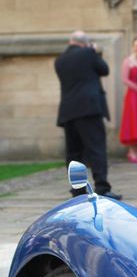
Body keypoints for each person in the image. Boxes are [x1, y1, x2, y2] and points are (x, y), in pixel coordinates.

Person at [54, 30, 122, 200]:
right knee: (96, 149)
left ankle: (77, 190)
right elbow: (104, 69)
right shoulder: (88, 53)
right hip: (88, 109)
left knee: (74, 154)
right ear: (84, 43)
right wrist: (93, 50)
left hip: (68, 112)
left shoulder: (59, 60)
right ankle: (102, 187)